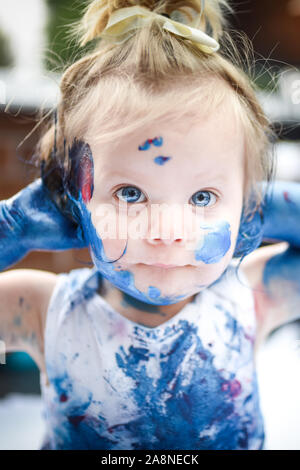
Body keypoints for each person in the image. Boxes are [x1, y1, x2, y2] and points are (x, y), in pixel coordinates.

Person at [0, 0, 299, 450]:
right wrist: (15, 225)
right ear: (73, 203)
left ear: (245, 209)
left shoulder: (253, 296)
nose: (168, 230)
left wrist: (272, 211)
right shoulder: (42, 309)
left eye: (203, 198)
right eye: (131, 194)